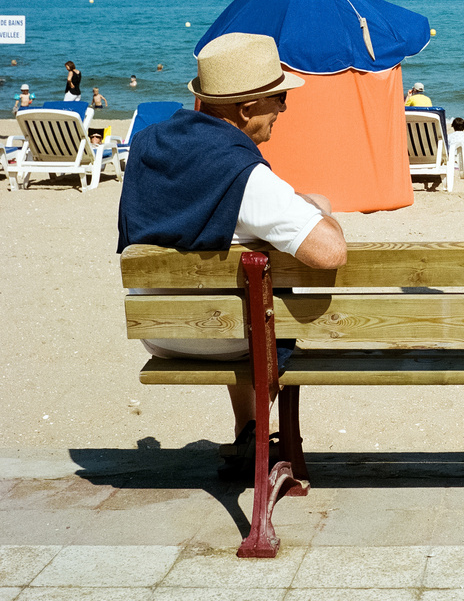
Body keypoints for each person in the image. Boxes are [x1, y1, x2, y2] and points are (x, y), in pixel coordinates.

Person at [117, 32, 347, 463]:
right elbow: (329, 251)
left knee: (235, 293)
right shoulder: (244, 176)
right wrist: (319, 208)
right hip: (225, 336)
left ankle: (248, 429)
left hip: (160, 331)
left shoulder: (148, 146)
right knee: (258, 304)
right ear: (246, 109)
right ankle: (260, 440)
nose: (283, 108)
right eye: (278, 98)